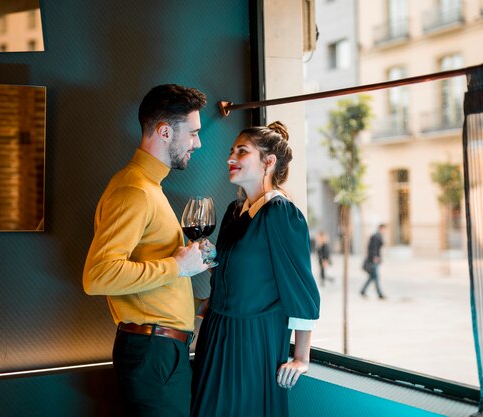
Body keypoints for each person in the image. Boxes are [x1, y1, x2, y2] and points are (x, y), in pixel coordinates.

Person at [83, 84, 211, 417]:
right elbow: (98, 276)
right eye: (193, 133)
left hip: (160, 350)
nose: (198, 143)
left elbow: (153, 276)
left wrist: (197, 305)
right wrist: (178, 267)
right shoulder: (135, 190)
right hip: (154, 351)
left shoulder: (148, 186)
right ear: (166, 132)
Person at [191, 121, 321, 417]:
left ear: (269, 162)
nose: (230, 158)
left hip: (253, 339)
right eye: (231, 151)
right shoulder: (232, 212)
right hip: (215, 334)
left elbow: (301, 288)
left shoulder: (281, 213)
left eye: (242, 152)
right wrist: (213, 259)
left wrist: (301, 357)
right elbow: (232, 275)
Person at [360, 224, 386, 299]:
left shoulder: (378, 236)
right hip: (374, 260)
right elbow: (373, 248)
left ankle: (363, 290)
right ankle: (379, 294)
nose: (385, 231)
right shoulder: (375, 236)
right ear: (381, 228)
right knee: (375, 277)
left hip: (375, 259)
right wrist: (375, 257)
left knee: (372, 277)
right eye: (384, 229)